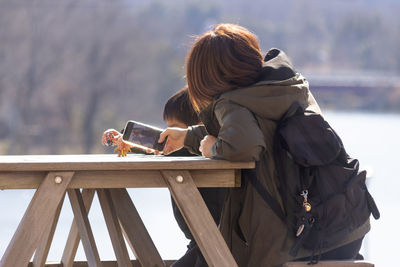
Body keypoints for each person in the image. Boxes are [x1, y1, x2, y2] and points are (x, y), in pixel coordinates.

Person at [159, 24, 370, 266]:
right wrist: (187, 137)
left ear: (206, 78)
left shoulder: (230, 102)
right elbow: (258, 134)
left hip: (292, 245)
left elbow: (243, 146)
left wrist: (210, 149)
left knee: (209, 255)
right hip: (345, 231)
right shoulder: (290, 88)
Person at [162, 87, 227, 267]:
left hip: (213, 237)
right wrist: (130, 142)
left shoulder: (200, 150)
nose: (168, 135)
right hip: (200, 239)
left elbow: (162, 150)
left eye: (173, 129)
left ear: (196, 127)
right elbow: (158, 149)